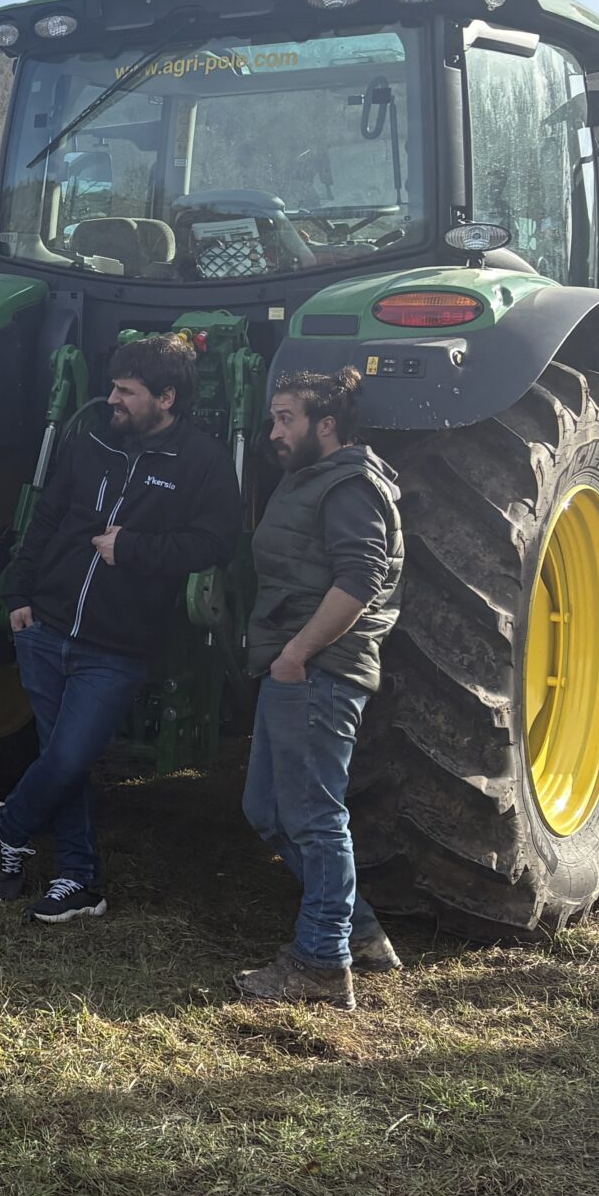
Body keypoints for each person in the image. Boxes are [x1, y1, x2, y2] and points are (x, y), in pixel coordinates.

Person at [0, 334, 244, 924]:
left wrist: (135, 549)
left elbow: (216, 543)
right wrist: (18, 594)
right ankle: (78, 879)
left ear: (168, 397)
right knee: (63, 758)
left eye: (126, 391)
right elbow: (47, 519)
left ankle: (11, 824)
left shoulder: (201, 462)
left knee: (71, 756)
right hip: (46, 627)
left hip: (116, 645)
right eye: (112, 387)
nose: (111, 400)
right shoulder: (90, 441)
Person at [235, 368, 404, 1008]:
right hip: (294, 666)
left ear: (325, 424)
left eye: (286, 418)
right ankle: (358, 932)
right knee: (268, 811)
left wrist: (298, 655)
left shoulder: (349, 485)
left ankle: (321, 963)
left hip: (318, 672)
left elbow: (359, 580)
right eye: (274, 417)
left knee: (313, 819)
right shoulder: (310, 480)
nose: (274, 431)